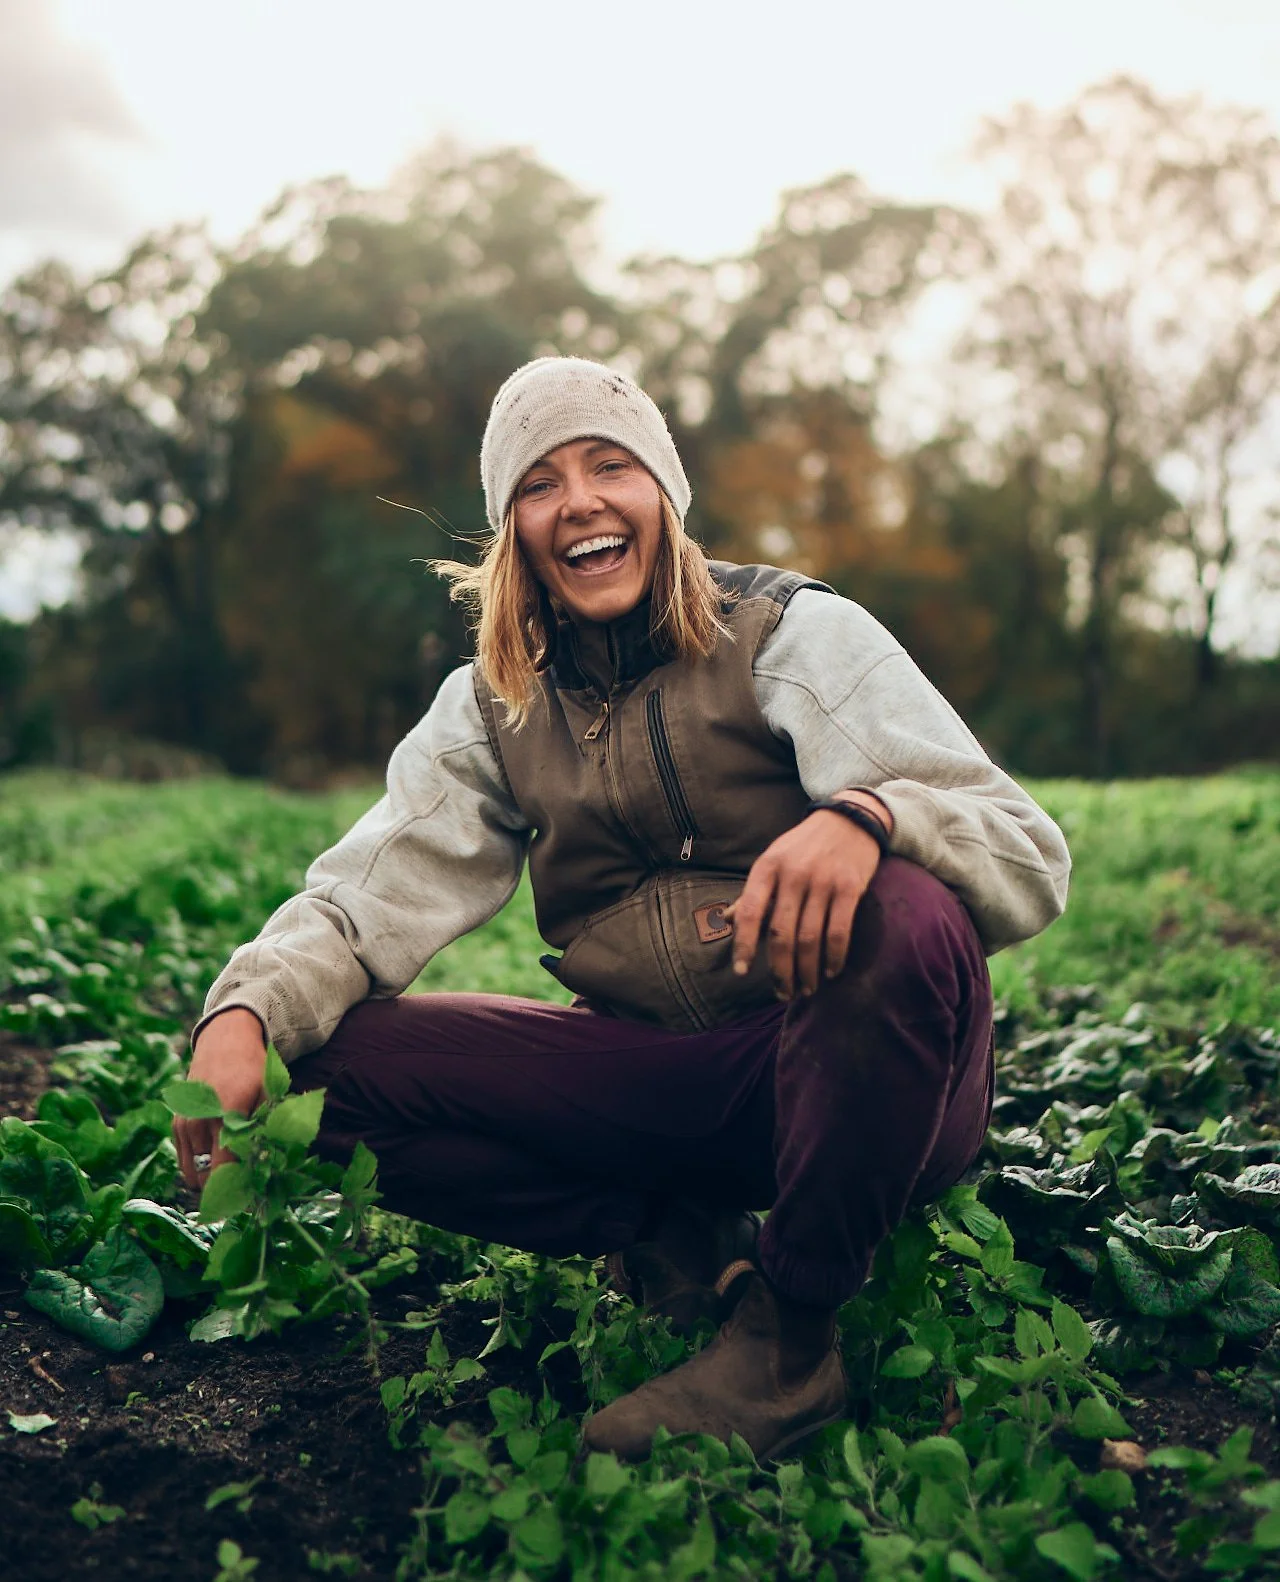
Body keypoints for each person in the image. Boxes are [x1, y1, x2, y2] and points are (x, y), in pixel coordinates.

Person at [173, 356, 1070, 1462]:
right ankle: (681, 1244)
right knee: (321, 1070)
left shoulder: (790, 633)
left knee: (902, 912)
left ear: (663, 494)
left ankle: (790, 1342)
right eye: (540, 483)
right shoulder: (493, 704)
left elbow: (1026, 854)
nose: (581, 501)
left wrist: (869, 818)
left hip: (854, 1081)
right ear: (514, 529)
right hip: (663, 1085)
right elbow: (367, 893)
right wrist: (243, 1014)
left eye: (609, 465)